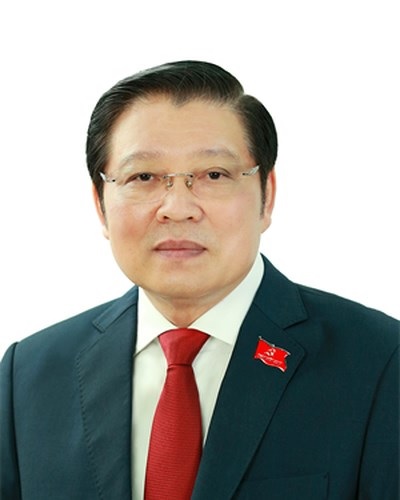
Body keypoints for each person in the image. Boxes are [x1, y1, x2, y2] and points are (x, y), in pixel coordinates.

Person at [1, 60, 398, 500]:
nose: (177, 208)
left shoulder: (380, 363)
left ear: (267, 196)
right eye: (143, 177)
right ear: (100, 205)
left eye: (213, 175)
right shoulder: (28, 377)